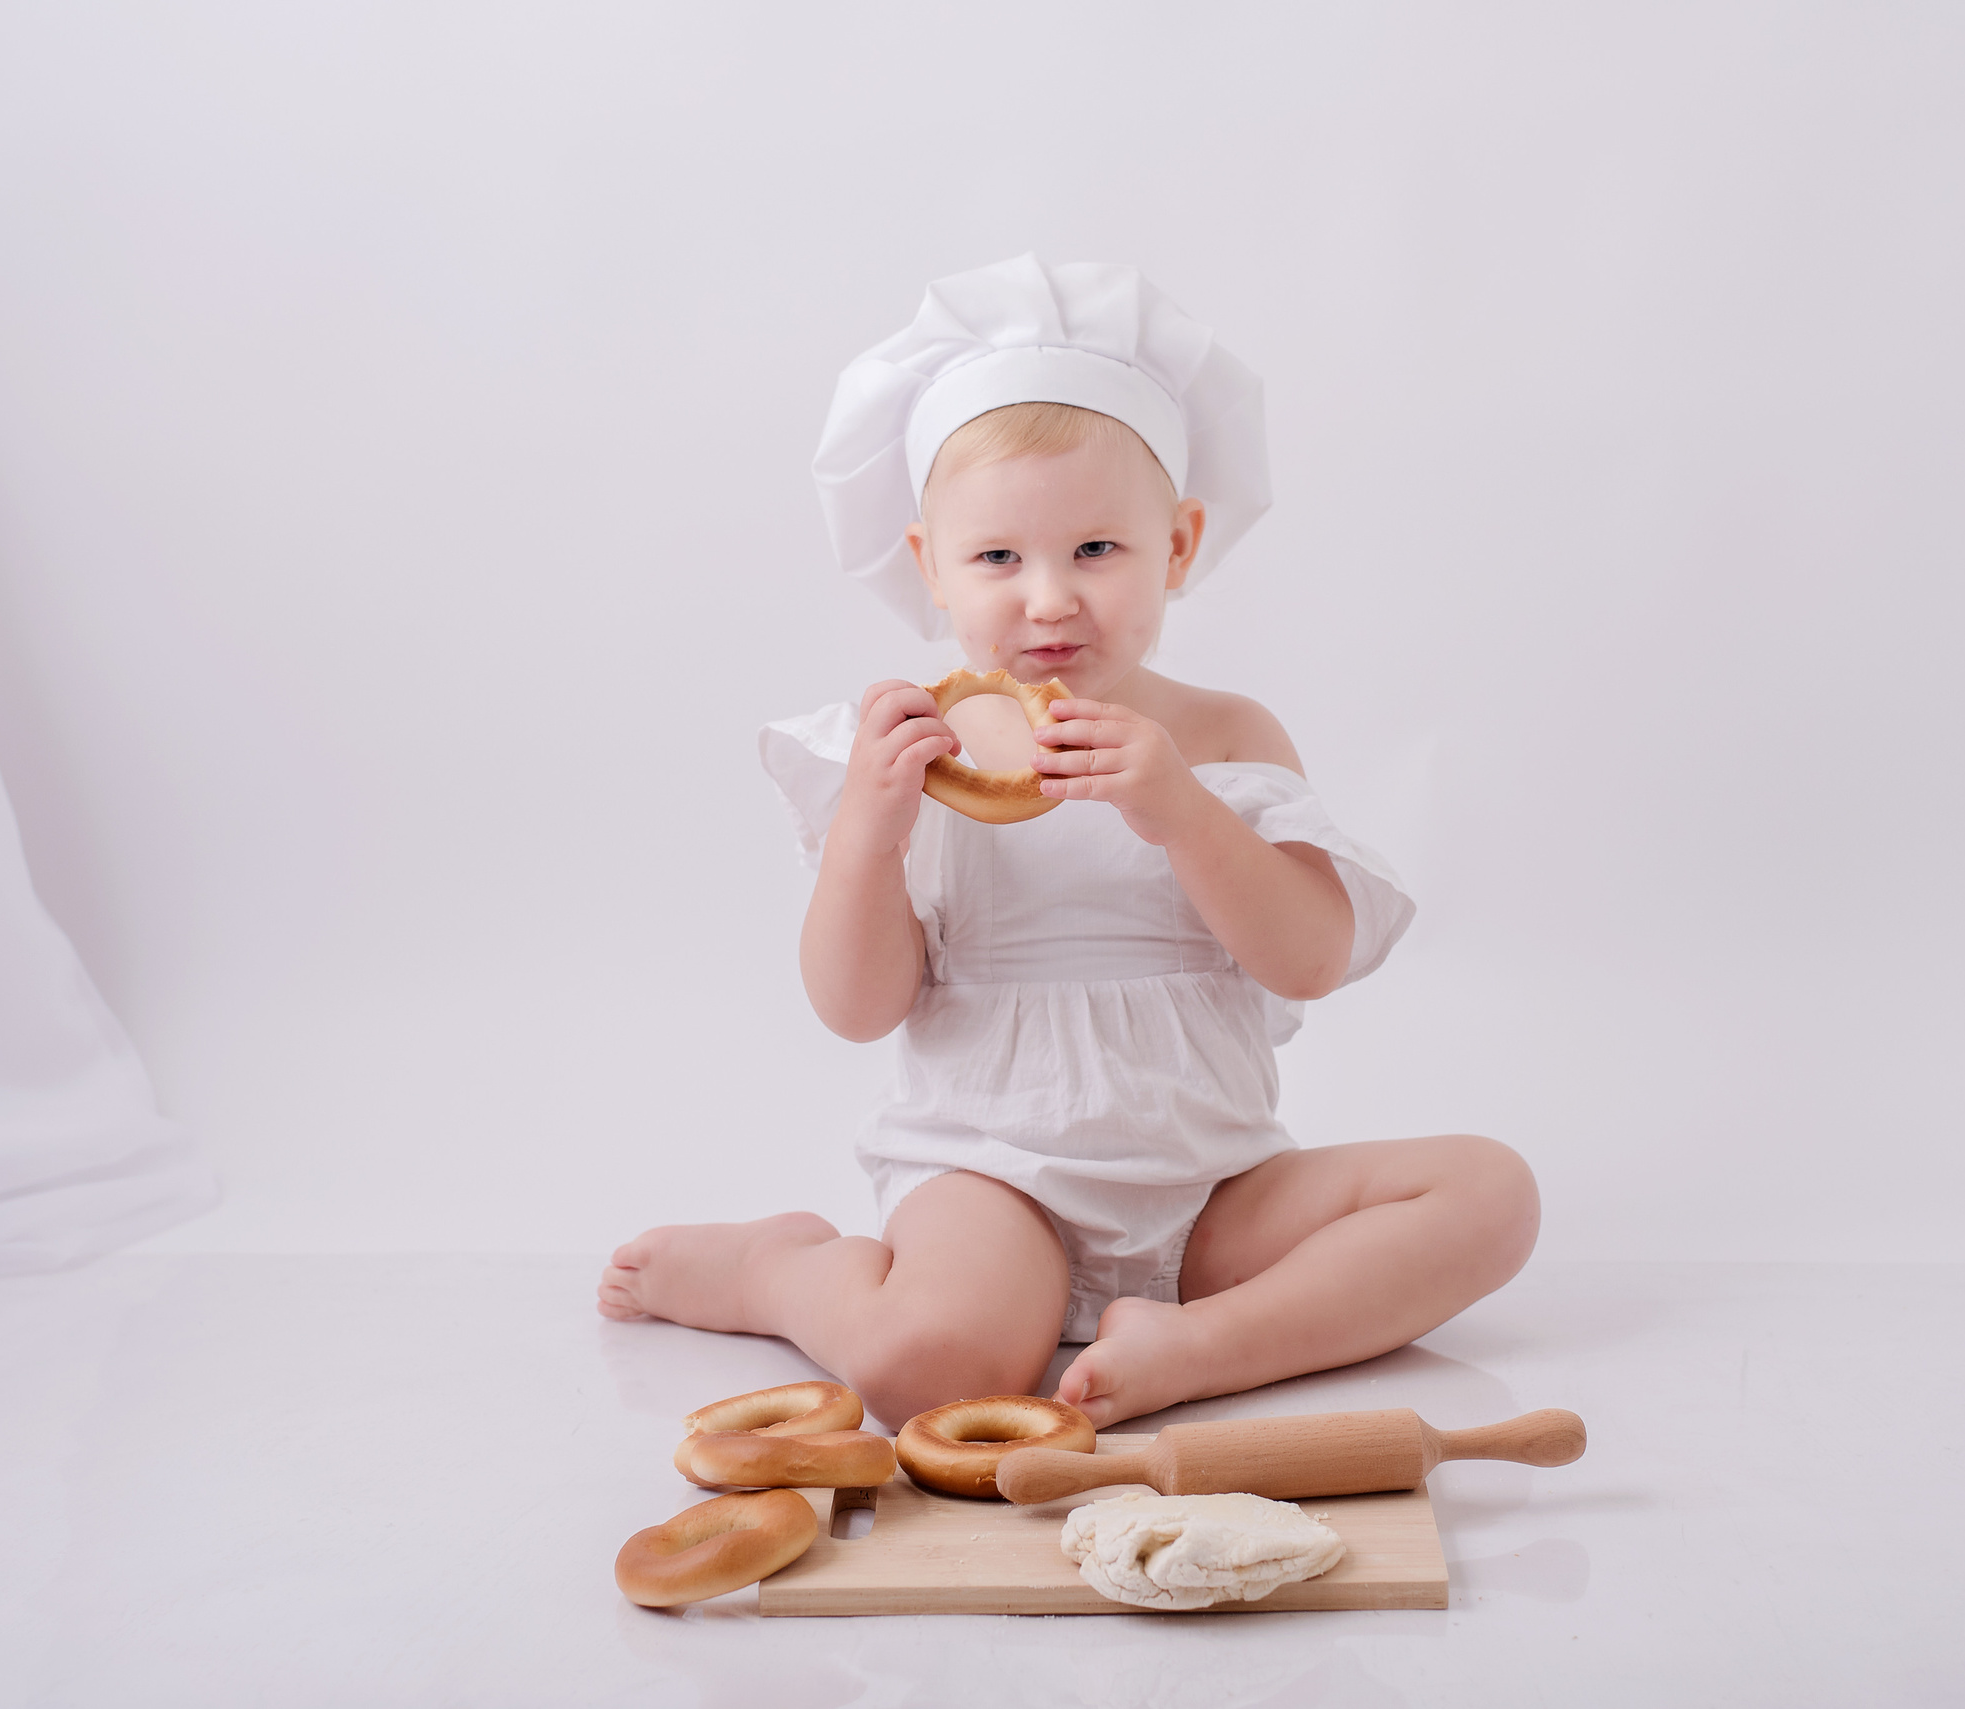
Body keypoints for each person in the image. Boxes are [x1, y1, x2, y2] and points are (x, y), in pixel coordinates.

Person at [598, 257, 1538, 1428]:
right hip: (994, 1179)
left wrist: (1183, 811)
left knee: (1490, 1193)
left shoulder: (1225, 737)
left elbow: (1308, 958)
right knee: (928, 1365)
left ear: (1178, 547)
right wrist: (868, 838)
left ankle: (1200, 1343)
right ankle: (780, 1271)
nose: (1048, 598)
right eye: (998, 557)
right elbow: (856, 1005)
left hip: (1215, 1189)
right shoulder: (916, 751)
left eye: (1096, 550)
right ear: (929, 566)